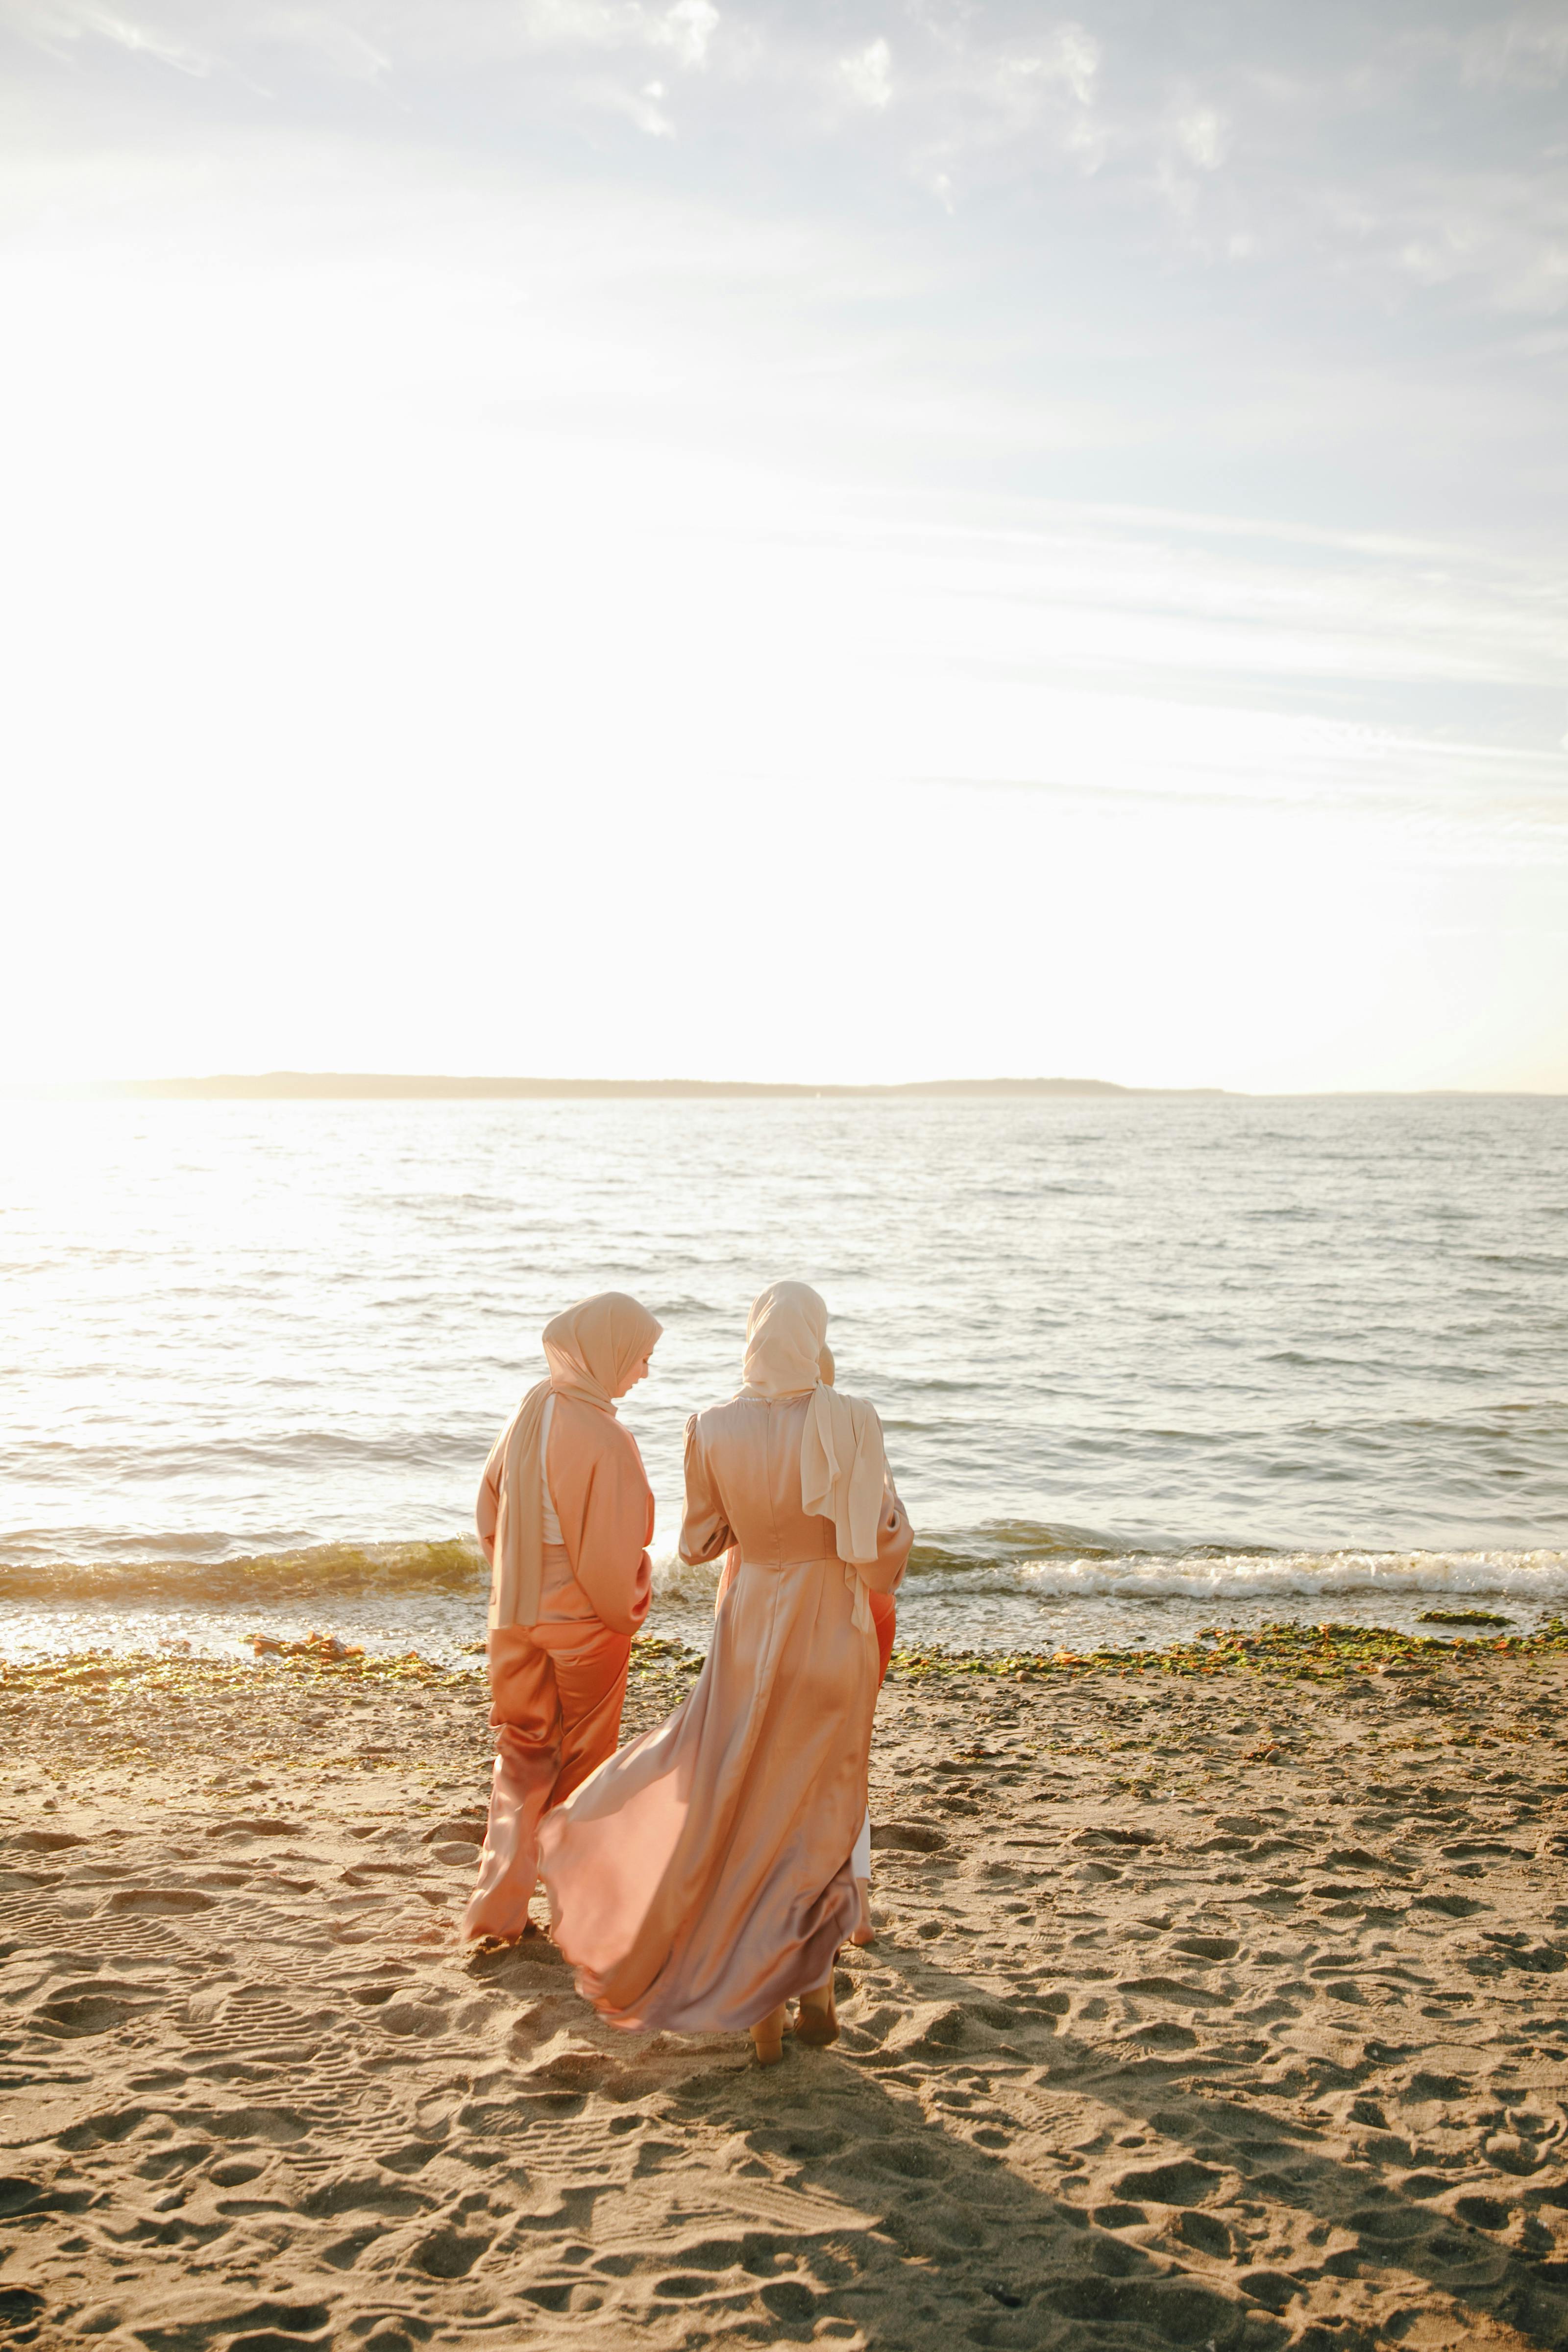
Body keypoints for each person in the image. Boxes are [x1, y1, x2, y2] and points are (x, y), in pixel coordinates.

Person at [538, 1279, 912, 2064]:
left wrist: (754, 1523)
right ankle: (814, 1995)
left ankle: (768, 2014)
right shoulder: (855, 1418)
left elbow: (700, 1544)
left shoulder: (709, 1425)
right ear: (813, 1337)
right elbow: (881, 1554)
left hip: (749, 1628)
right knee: (818, 1810)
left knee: (745, 1811)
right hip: (833, 1634)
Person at [462, 1291, 661, 1944]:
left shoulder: (532, 1407)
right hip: (581, 1621)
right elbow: (611, 1559)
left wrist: (514, 1579)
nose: (644, 1372)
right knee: (583, 1767)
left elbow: (488, 1507)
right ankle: (575, 1917)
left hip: (514, 1610)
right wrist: (628, 1608)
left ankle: (497, 1915)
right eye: (640, 1358)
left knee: (520, 1757)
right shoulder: (606, 1437)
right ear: (608, 1355)